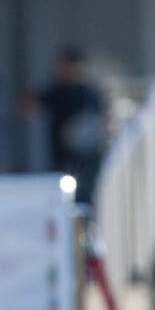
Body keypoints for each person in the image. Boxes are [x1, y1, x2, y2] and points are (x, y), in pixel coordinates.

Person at [31, 45, 107, 198]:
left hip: (86, 160)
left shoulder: (88, 93)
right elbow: (30, 105)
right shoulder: (57, 90)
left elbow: (100, 120)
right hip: (62, 161)